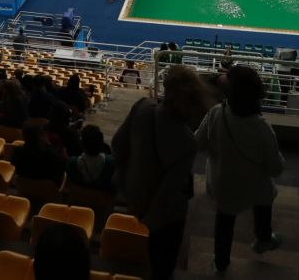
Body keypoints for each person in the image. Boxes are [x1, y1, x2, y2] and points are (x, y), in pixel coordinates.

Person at [113, 64, 211, 280]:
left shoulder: (141, 107)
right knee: (162, 268)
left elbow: (118, 146)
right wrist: (149, 222)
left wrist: (127, 189)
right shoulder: (187, 142)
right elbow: (168, 194)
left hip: (135, 198)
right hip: (165, 219)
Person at [195, 65, 285, 273]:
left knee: (224, 223)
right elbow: (276, 169)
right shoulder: (263, 128)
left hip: (223, 184)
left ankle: (221, 263)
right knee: (265, 199)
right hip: (255, 186)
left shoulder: (216, 114)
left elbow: (198, 142)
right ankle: (263, 239)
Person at [66, 125, 114, 191]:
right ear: (101, 143)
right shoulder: (111, 163)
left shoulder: (72, 163)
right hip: (103, 200)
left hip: (78, 199)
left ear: (82, 144)